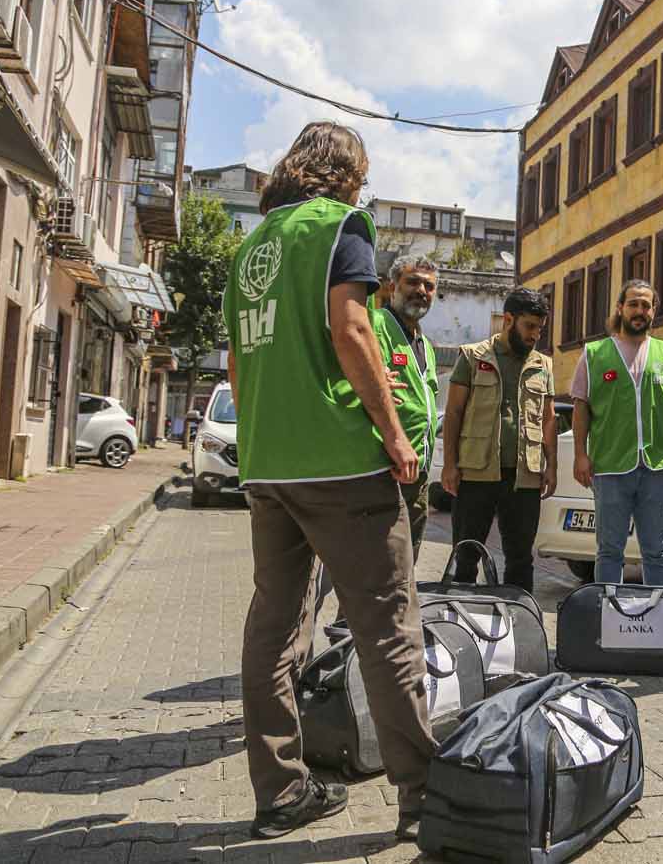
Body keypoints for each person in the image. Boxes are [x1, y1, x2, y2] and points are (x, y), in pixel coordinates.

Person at [224, 121, 433, 842]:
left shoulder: (252, 245)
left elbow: (236, 364)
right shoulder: (342, 224)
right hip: (341, 463)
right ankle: (422, 799)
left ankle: (280, 790)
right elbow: (352, 329)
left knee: (275, 626)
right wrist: (395, 431)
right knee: (387, 625)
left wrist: (260, 436)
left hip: (267, 464)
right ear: (345, 174)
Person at [570, 280, 663, 585]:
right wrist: (580, 455)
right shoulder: (595, 353)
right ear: (620, 308)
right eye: (634, 304)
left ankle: (660, 618)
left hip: (656, 467)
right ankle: (608, 615)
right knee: (609, 551)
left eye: (646, 305)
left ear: (654, 311)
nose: (640, 311)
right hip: (610, 467)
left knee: (656, 552)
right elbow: (580, 407)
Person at [440, 287, 558, 592]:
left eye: (540, 329)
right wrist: (449, 465)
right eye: (529, 326)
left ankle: (518, 627)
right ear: (508, 319)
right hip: (476, 471)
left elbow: (548, 418)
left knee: (520, 559)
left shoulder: (543, 365)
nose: (535, 336)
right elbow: (453, 413)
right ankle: (459, 623)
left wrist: (552, 466)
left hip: (525, 476)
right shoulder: (472, 356)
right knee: (466, 554)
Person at [371, 255, 440, 560]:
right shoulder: (375, 327)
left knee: (405, 566)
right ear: (392, 286)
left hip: (418, 474)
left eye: (429, 286)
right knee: (375, 566)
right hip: (384, 470)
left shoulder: (425, 345)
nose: (421, 291)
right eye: (412, 282)